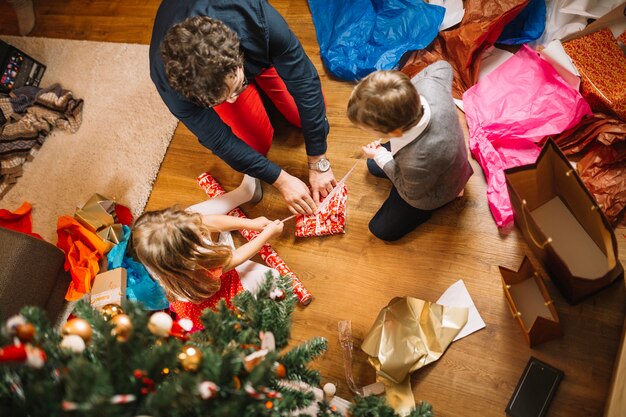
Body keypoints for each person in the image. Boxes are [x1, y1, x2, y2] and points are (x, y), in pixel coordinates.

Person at [149, 0, 337, 216]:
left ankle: (253, 79)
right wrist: (281, 180)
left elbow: (305, 83)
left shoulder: (259, 21)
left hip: (259, 52)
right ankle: (232, 91)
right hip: (225, 76)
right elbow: (220, 141)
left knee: (311, 109)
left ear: (239, 62)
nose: (231, 100)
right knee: (255, 144)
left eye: (237, 88)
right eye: (219, 100)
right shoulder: (170, 84)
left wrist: (318, 160)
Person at [132, 178, 283, 329]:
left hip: (198, 277)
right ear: (187, 250)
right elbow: (237, 257)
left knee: (194, 213)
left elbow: (208, 221)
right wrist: (267, 234)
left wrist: (250, 224)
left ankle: (245, 192)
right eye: (196, 233)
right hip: (213, 300)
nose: (200, 228)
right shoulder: (199, 268)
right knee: (271, 277)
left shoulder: (155, 253)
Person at [347, 61, 473, 241]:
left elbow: (411, 193)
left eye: (368, 129)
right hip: (443, 151)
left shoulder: (417, 161)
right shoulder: (430, 85)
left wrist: (380, 155)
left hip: (433, 187)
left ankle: (447, 198)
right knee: (372, 164)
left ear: (395, 132)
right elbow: (443, 66)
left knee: (380, 229)